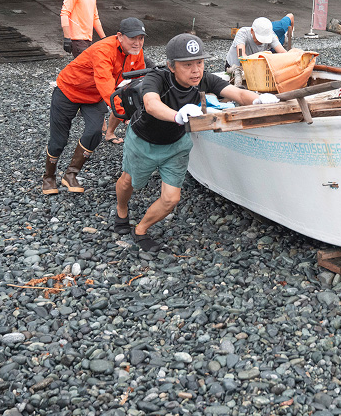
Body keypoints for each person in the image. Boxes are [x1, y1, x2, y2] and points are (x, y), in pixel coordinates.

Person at [115, 33, 279, 252]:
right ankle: (121, 210)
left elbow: (237, 94)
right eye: (187, 65)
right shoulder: (157, 78)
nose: (196, 70)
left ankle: (141, 230)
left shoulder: (204, 79)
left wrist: (258, 99)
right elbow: (151, 104)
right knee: (128, 182)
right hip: (144, 140)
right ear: (171, 66)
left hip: (177, 143)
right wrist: (176, 115)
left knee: (171, 199)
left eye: (200, 63)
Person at [42, 17, 146, 195]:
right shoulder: (103, 50)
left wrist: (145, 104)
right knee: (59, 140)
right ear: (120, 36)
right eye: (133, 38)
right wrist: (125, 114)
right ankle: (49, 177)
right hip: (68, 90)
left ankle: (70, 175)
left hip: (93, 96)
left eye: (141, 38)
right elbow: (106, 86)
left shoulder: (136, 52)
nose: (137, 43)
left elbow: (140, 80)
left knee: (94, 132)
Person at [225, 17, 287, 87]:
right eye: (259, 39)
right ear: (252, 31)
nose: (261, 42)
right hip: (234, 67)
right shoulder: (243, 33)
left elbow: (283, 53)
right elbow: (241, 54)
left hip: (256, 68)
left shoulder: (270, 35)